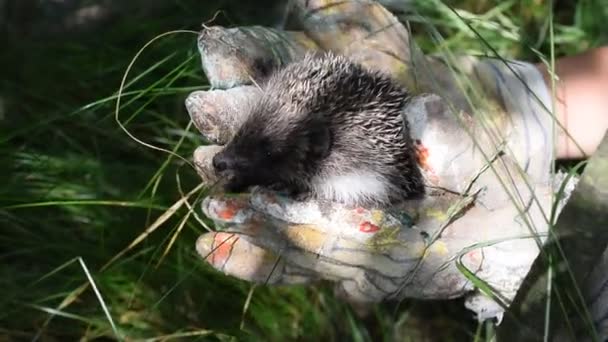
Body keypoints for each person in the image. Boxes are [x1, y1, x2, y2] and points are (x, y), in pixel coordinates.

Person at [185, 0, 608, 327]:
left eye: (264, 148)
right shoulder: (326, 151)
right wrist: (528, 104)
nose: (227, 158)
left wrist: (582, 276)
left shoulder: (351, 170)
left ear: (316, 149)